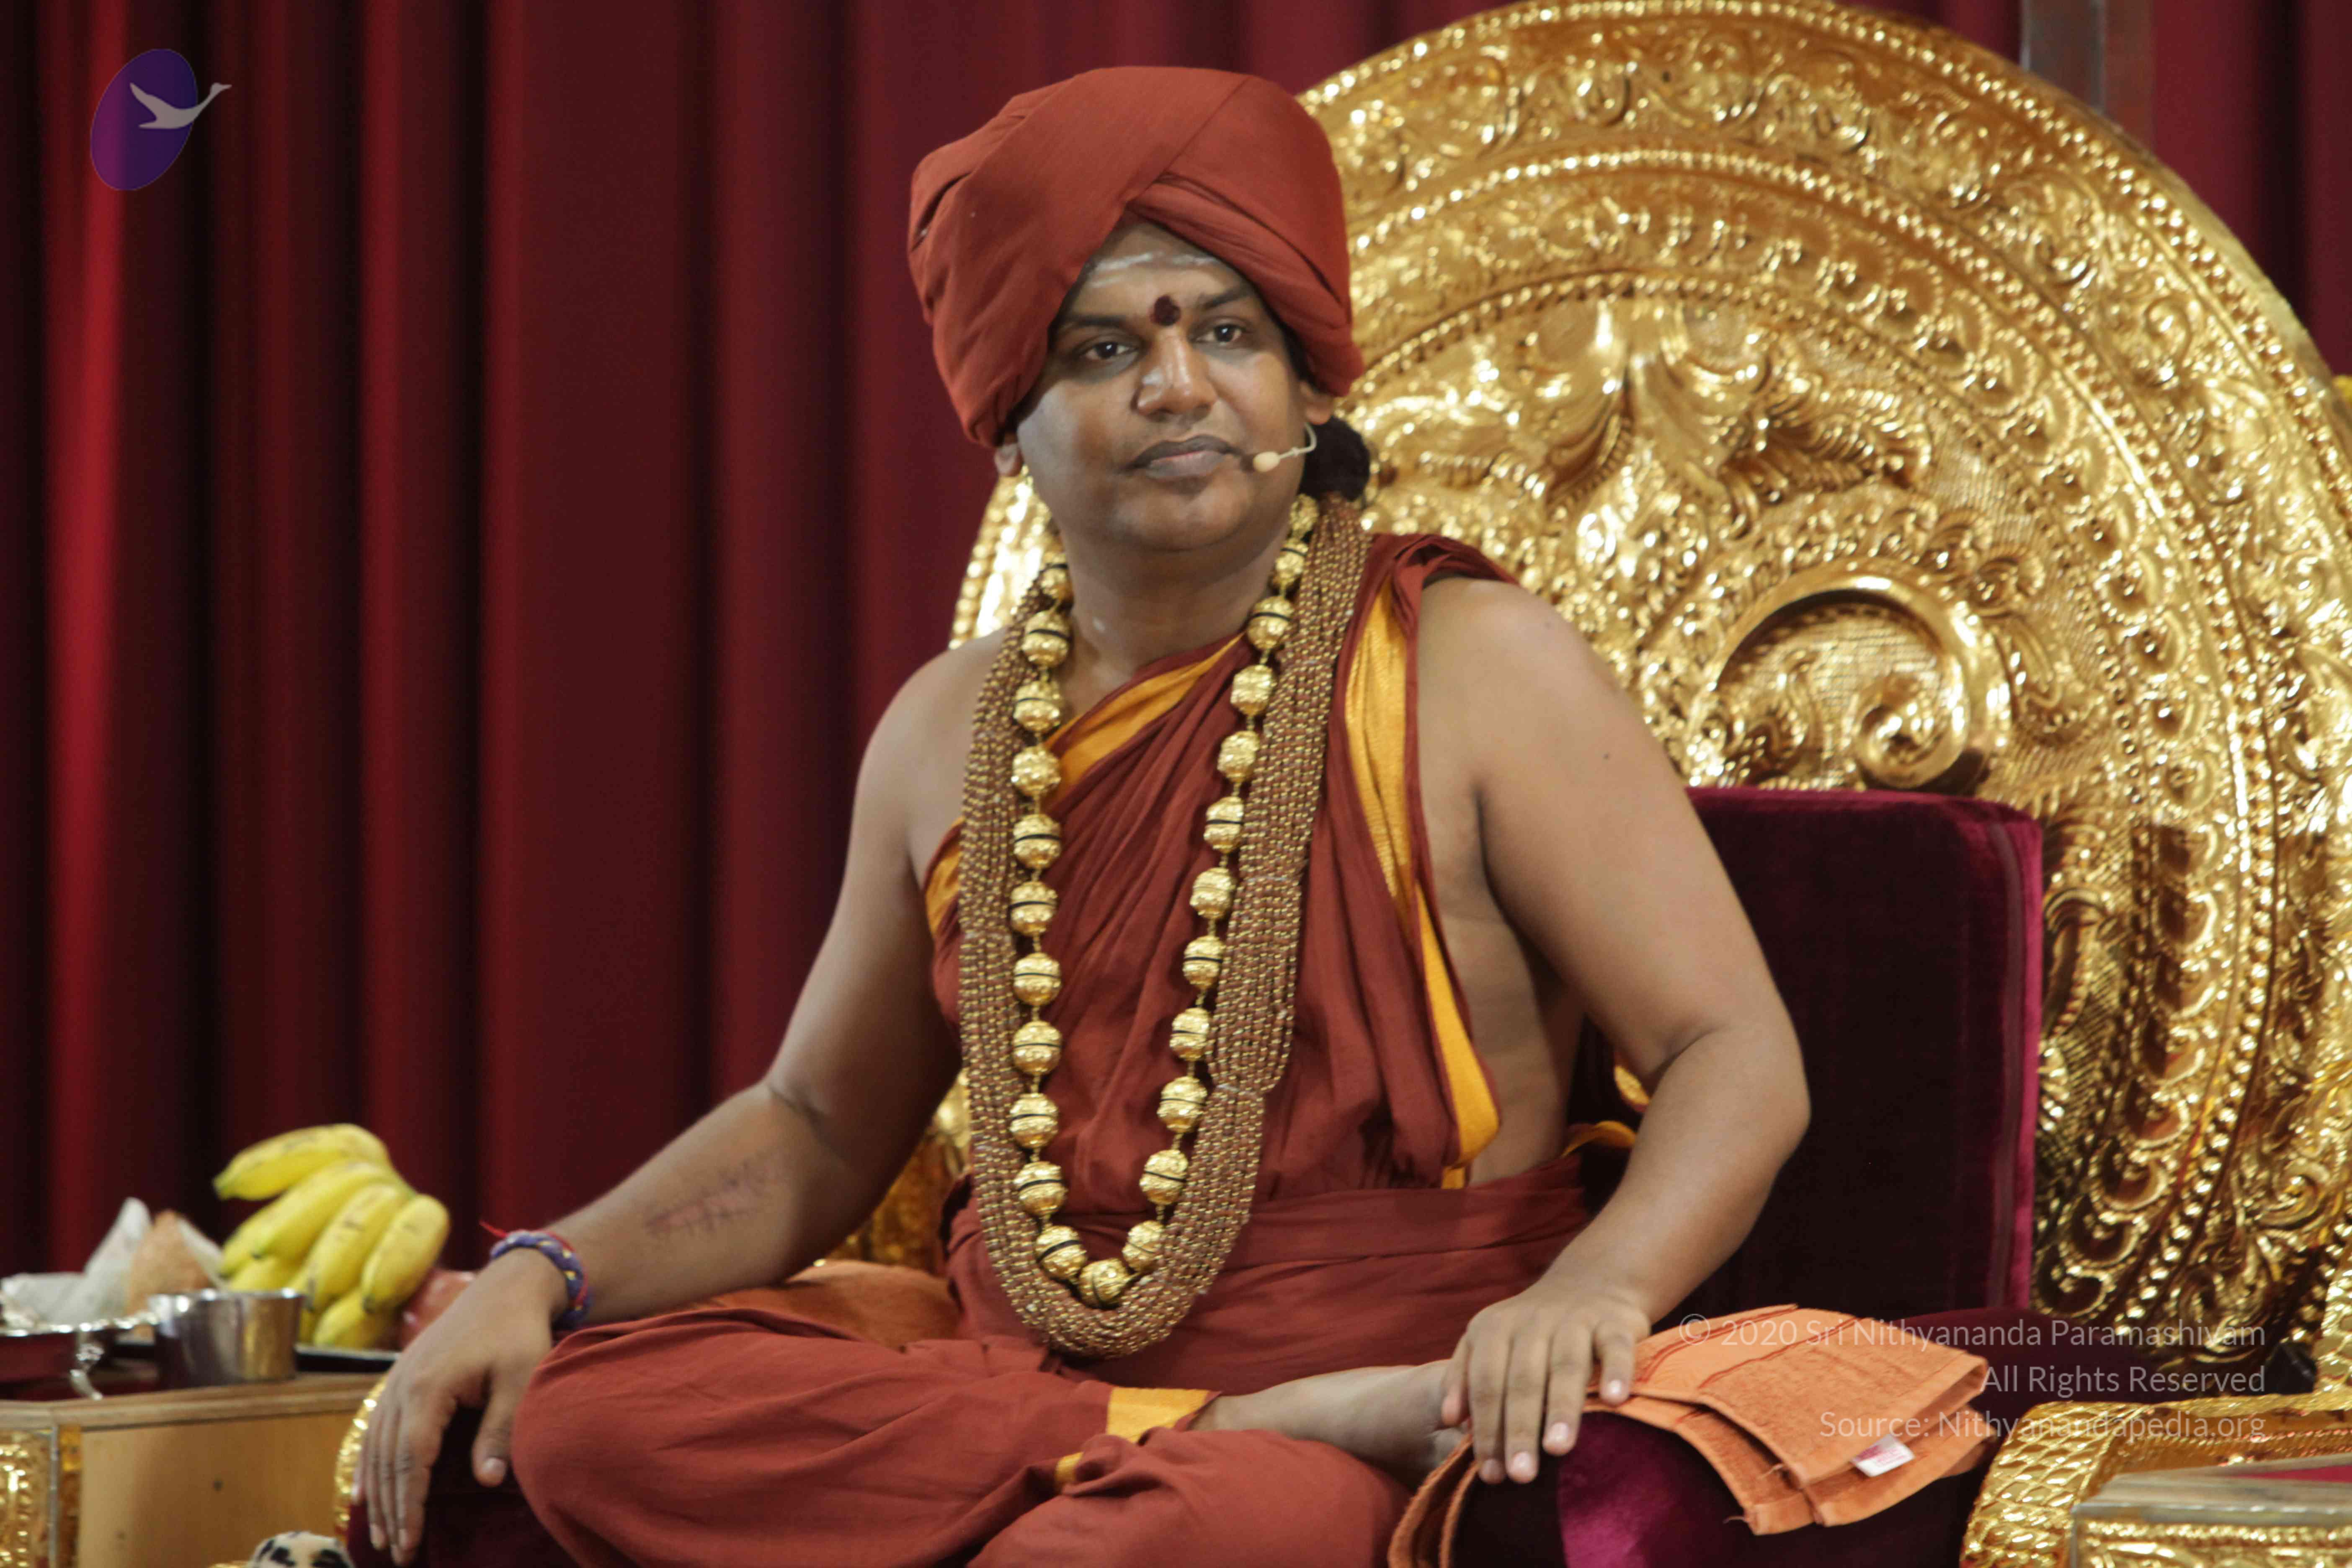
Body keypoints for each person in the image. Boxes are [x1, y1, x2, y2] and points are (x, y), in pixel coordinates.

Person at [356, 67, 1809, 1566]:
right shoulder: (946, 729)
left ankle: (1240, 1441)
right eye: (1104, 348)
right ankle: (1224, 1422)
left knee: (1123, 1551)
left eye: (1228, 333)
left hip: (1396, 1404)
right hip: (1039, 1388)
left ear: (1310, 388)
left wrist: (1593, 1291)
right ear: (1007, 424)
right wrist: (544, 1270)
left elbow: (1733, 1053)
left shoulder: (1472, 665)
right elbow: (817, 1126)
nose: (1178, 388)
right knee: (582, 1415)